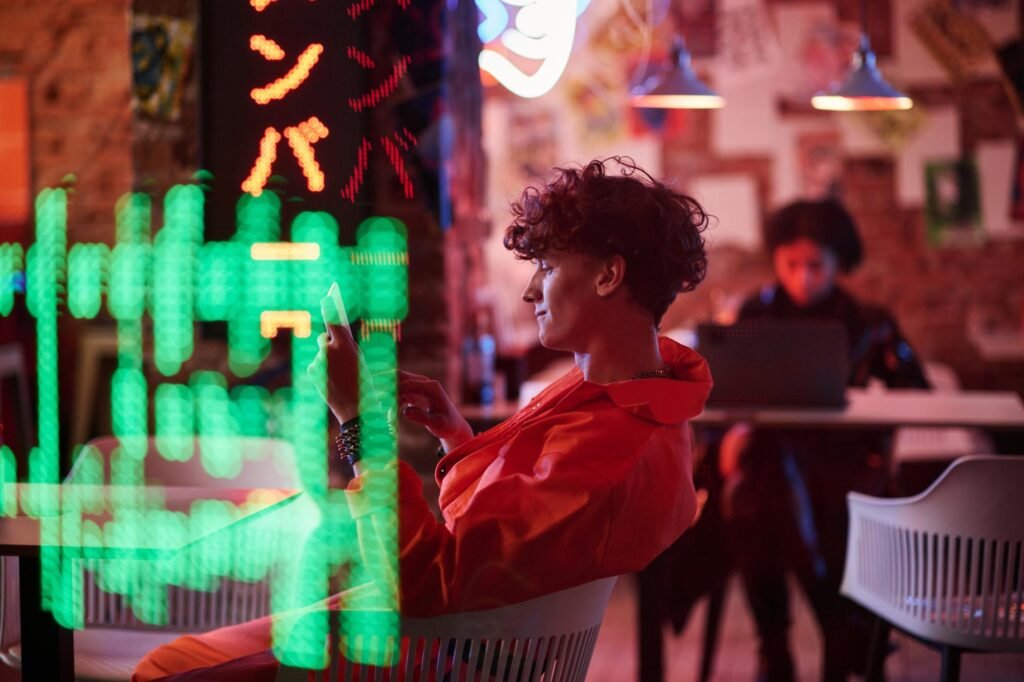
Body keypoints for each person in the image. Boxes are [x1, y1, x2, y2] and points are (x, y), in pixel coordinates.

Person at [132, 157, 714, 680]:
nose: (530, 290)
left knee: (164, 667)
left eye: (548, 266)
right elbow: (508, 540)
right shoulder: (639, 404)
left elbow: (418, 581)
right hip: (460, 646)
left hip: (429, 654)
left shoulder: (607, 448)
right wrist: (457, 438)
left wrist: (357, 421)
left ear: (609, 276)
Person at [718, 199, 929, 682]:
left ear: (839, 262)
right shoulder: (753, 312)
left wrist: (867, 398)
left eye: (816, 265)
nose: (803, 277)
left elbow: (917, 394)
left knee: (750, 494)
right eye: (791, 264)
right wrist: (736, 429)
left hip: (845, 465)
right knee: (760, 477)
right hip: (776, 467)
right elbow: (729, 388)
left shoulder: (869, 320)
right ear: (775, 259)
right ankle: (841, 626)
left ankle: (774, 652)